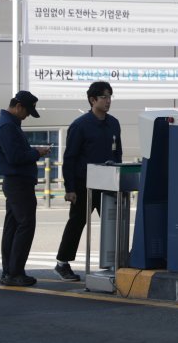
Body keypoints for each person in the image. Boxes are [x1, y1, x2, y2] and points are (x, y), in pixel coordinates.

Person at [54, 81, 122, 281]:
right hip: (85, 184)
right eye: (104, 97)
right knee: (77, 222)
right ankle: (62, 263)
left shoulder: (114, 123)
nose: (108, 101)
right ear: (93, 100)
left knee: (113, 223)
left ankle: (115, 263)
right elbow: (70, 158)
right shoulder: (80, 125)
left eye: (110, 97)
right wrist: (70, 188)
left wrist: (119, 178)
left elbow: (117, 152)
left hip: (108, 182)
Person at [0, 90, 50, 287]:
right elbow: (15, 157)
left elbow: (15, 154)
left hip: (15, 183)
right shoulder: (7, 126)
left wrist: (33, 151)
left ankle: (9, 271)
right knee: (25, 225)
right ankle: (15, 272)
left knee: (13, 226)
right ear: (18, 106)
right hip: (18, 183)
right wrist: (37, 152)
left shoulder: (8, 124)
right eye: (26, 112)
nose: (27, 116)